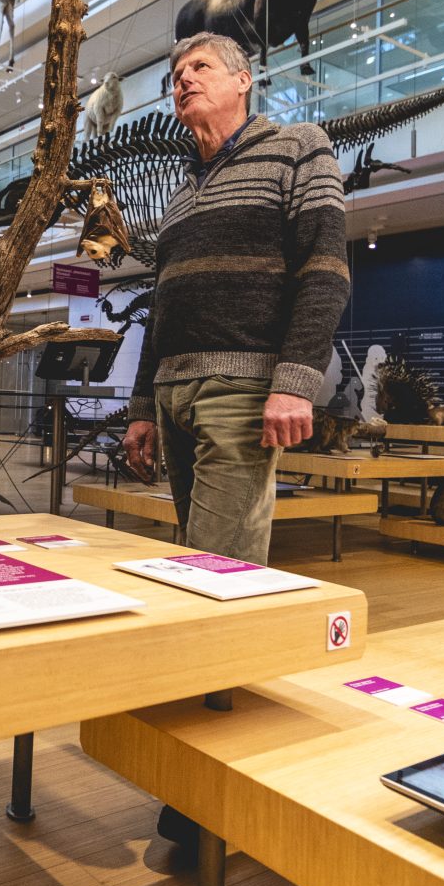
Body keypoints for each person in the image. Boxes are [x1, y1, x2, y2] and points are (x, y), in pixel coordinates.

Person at [123, 32, 350, 565]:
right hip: (172, 393)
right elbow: (162, 306)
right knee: (199, 553)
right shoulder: (181, 194)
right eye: (176, 76)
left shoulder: (298, 147)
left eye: (200, 67)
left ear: (243, 80)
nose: (184, 79)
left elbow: (325, 272)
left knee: (217, 561)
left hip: (240, 389)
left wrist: (294, 384)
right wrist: (142, 408)